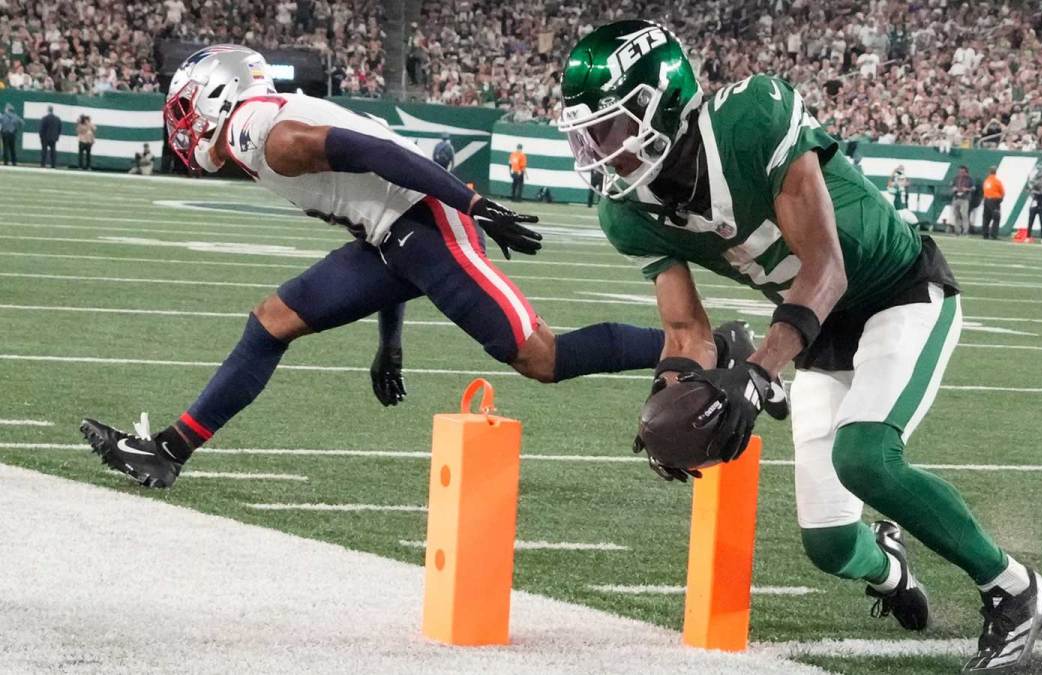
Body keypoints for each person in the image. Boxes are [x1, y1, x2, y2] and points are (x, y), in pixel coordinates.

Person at [557, 21, 1042, 673]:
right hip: (820, 332)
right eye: (587, 134)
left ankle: (1015, 589)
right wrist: (669, 393)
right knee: (827, 543)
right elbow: (686, 331)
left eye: (612, 130)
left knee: (866, 456)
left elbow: (827, 267)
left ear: (665, 104)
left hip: (896, 292)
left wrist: (759, 373)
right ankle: (889, 563)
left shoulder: (750, 118)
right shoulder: (628, 213)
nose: (600, 151)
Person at [81, 45, 674, 491]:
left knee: (540, 358)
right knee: (271, 321)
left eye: (185, 109)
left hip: (430, 224)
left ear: (216, 98)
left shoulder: (267, 136)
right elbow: (373, 217)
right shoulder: (257, 130)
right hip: (397, 236)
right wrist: (390, 342)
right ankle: (169, 450)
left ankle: (691, 344)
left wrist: (473, 203)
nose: (181, 127)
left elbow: (378, 156)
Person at [1024, 165, 1042, 240]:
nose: (1041, 181)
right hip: (1034, 205)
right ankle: (1028, 237)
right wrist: (1034, 192)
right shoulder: (1033, 186)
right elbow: (1030, 193)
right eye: (1040, 179)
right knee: (1030, 221)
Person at [950, 165, 974, 235]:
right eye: (960, 172)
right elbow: (952, 186)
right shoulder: (956, 178)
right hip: (956, 198)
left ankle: (965, 231)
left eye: (962, 172)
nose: (961, 173)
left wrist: (967, 189)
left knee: (964, 215)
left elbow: (973, 188)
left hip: (964, 198)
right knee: (956, 215)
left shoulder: (969, 179)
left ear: (966, 172)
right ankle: (957, 230)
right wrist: (954, 188)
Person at [981, 166, 1004, 239]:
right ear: (995, 172)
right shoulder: (997, 181)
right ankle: (994, 235)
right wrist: (1000, 200)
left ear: (989, 172)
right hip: (995, 201)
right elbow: (1002, 192)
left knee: (986, 218)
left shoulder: (986, 181)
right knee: (996, 218)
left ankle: (985, 234)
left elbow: (984, 190)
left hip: (986, 200)